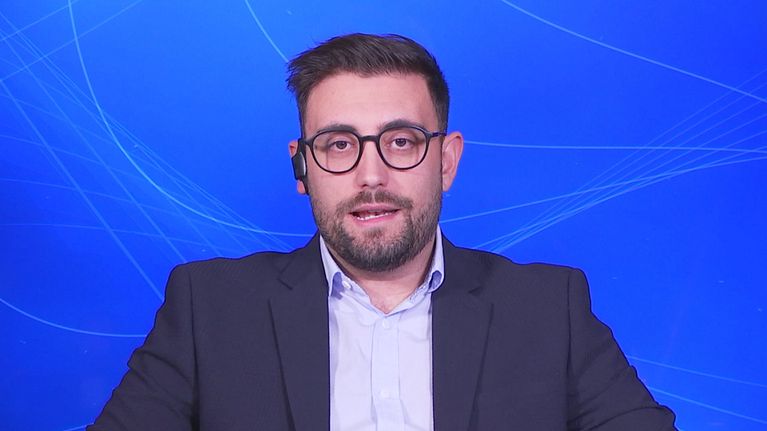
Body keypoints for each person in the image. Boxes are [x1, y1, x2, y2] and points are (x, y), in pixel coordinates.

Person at [89, 33, 676, 430]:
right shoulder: (209, 308)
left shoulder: (549, 307)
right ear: (302, 167)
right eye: (339, 144)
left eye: (400, 141)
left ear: (446, 161)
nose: (371, 175)